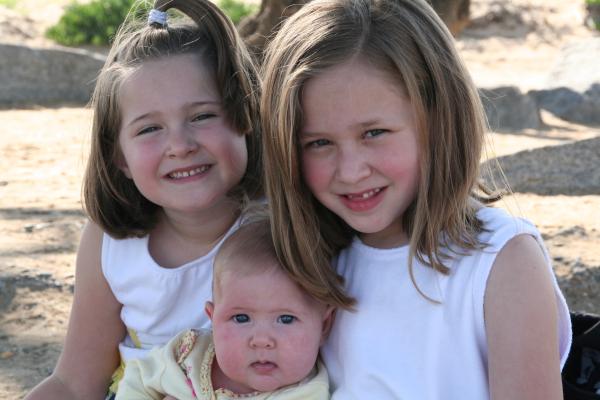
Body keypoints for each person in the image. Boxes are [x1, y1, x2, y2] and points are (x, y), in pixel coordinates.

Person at [260, 0, 572, 399]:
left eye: (374, 133)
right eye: (319, 143)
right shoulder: (304, 260)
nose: (351, 170)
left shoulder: (502, 261)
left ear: (438, 117)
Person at [25, 0, 261, 399]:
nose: (180, 145)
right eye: (150, 128)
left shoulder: (282, 226)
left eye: (203, 116)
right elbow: (75, 381)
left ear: (245, 116)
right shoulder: (111, 244)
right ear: (119, 157)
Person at [116, 217, 333, 399]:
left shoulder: (307, 394)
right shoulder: (188, 353)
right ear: (213, 318)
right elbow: (139, 379)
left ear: (323, 326)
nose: (261, 340)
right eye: (241, 318)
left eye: (286, 319)